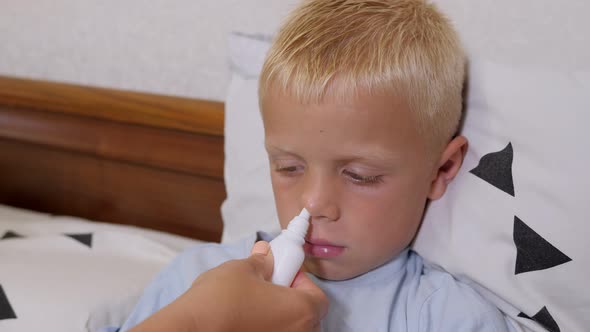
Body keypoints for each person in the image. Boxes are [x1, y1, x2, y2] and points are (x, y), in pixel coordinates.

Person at [104, 0, 513, 331]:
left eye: (360, 175)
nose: (314, 203)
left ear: (441, 170)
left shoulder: (447, 318)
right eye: (287, 167)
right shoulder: (192, 281)